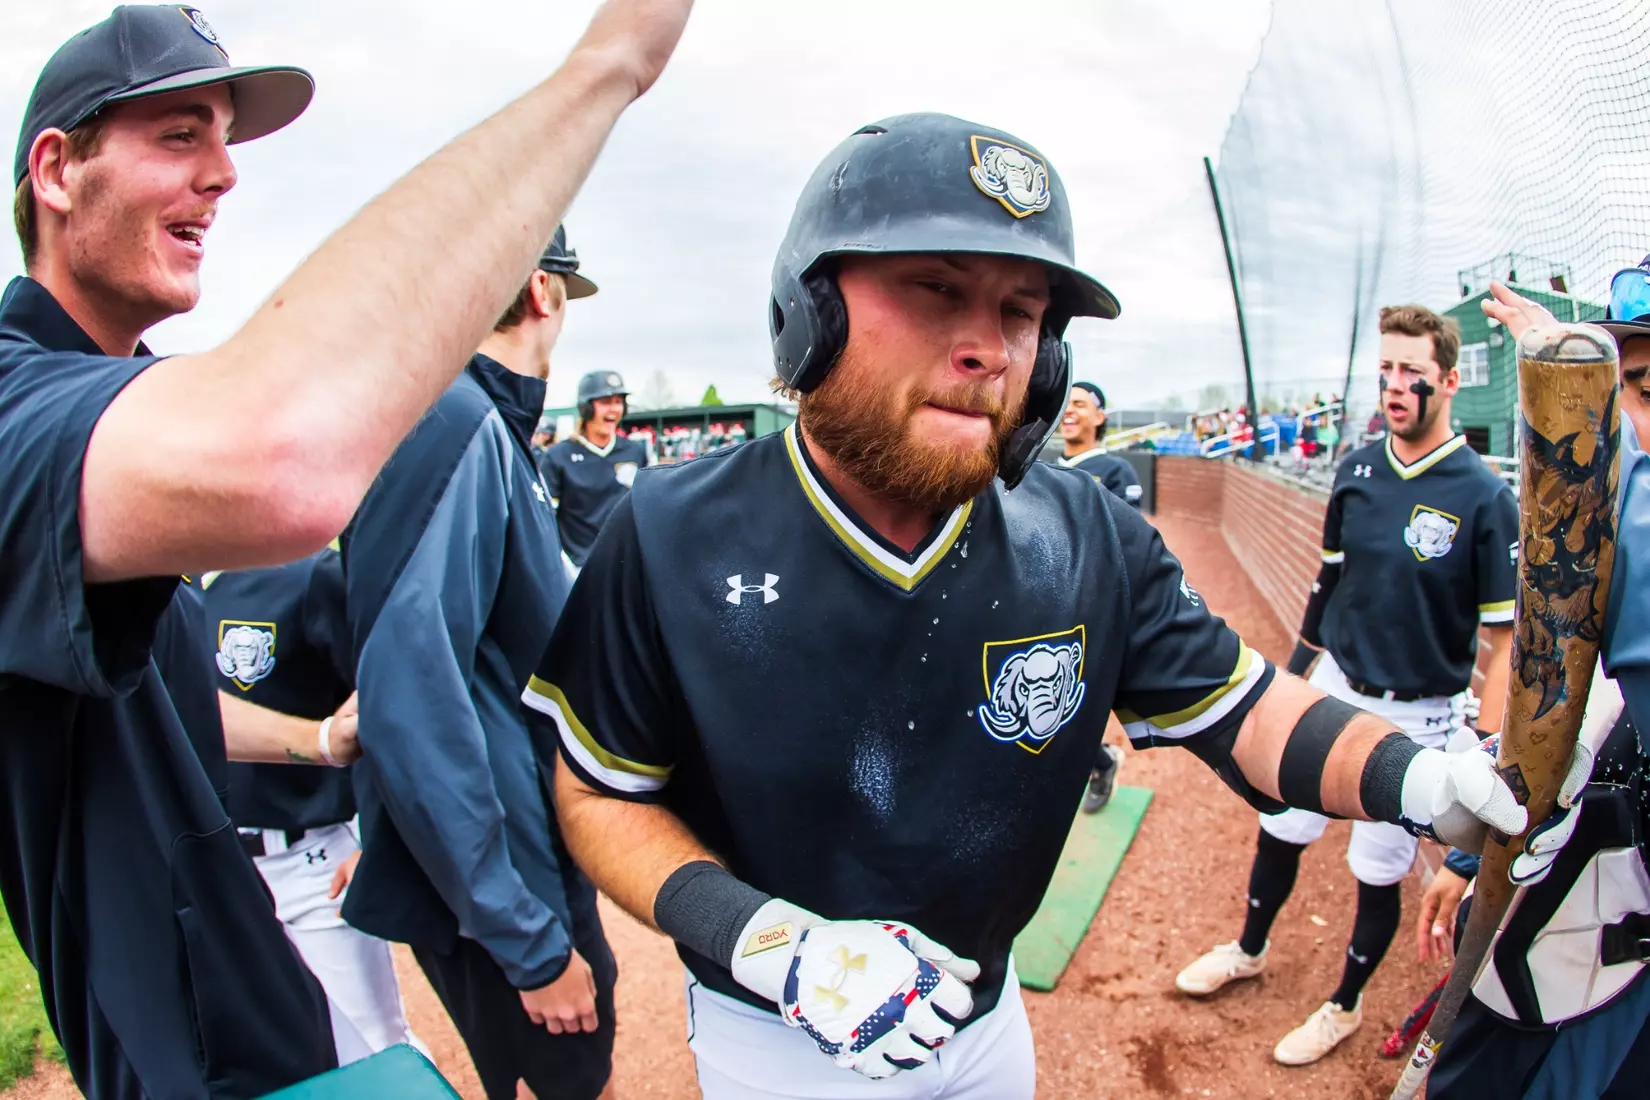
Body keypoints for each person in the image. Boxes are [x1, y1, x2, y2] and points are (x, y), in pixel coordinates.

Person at [519, 112, 1544, 1099]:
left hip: (991, 1012)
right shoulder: (669, 532)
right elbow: (598, 794)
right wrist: (774, 945)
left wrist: (1418, 776)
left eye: (1021, 310)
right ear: (811, 310)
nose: (992, 347)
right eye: (935, 286)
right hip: (774, 1029)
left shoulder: (1086, 533)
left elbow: (1247, 708)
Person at [0, 2, 690, 1096]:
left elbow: (167, 691)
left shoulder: (93, 408)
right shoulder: (17, 405)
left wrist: (325, 745)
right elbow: (288, 463)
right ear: (56, 169)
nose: (224, 173)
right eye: (181, 134)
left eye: (225, 141)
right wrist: (609, 65)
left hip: (258, 1005)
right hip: (187, 1052)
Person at [1174, 303, 1518, 1066]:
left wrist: (1489, 745)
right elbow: (1326, 594)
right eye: (1385, 371)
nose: (1394, 387)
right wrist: (1289, 682)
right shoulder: (1358, 468)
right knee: (1282, 826)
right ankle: (1250, 947)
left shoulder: (1485, 495)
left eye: (1412, 374)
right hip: (1334, 684)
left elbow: (1501, 637)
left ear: (1450, 381)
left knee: (1375, 871)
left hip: (1421, 713)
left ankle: (1345, 1004)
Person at [341, 229, 617, 1100]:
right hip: (510, 882)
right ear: (543, 290)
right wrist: (527, 939)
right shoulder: (457, 422)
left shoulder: (477, 422)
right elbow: (413, 698)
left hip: (511, 858)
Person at [1411, 277, 1650, 1099]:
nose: (1621, 419)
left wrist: (1577, 416)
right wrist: (1466, 859)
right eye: (1620, 389)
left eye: (1639, 393)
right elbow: (1559, 701)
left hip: (1613, 1005)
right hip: (1542, 963)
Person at [204, 549, 424, 1064]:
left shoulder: (304, 575)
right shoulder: (157, 589)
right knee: (253, 1059)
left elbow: (389, 707)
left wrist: (379, 834)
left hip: (309, 862)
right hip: (210, 868)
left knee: (370, 1048)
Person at [1053, 380, 1136, 812]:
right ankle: (1100, 759)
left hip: (1091, 613)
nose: (1070, 411)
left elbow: (1127, 550)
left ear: (1100, 416)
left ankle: (1102, 762)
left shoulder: (1117, 471)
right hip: (1047, 607)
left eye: (1081, 404)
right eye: (1066, 403)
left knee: (1070, 712)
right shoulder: (1041, 467)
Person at [541, 367, 651, 570]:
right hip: (577, 567)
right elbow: (544, 516)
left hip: (625, 564)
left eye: (618, 402)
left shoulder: (634, 452)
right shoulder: (558, 456)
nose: (614, 409)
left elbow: (645, 509)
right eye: (605, 402)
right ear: (586, 408)